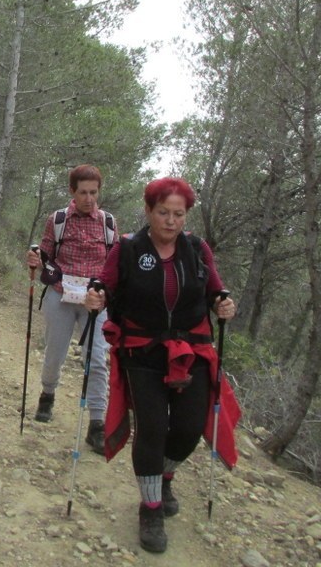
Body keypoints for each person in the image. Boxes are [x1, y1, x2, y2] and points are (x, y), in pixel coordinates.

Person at [85, 176, 239, 554]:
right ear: (149, 211)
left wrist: (224, 303)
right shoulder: (128, 249)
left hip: (193, 350)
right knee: (152, 428)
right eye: (163, 213)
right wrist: (96, 296)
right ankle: (150, 507)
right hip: (143, 352)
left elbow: (215, 288)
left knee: (188, 428)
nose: (171, 221)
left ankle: (165, 473)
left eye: (178, 214)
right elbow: (105, 285)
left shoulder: (197, 250)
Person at [23, 164, 117, 452]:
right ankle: (48, 394)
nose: (89, 198)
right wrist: (36, 257)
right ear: (72, 192)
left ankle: (97, 423)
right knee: (55, 352)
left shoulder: (108, 223)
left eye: (94, 192)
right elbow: (47, 250)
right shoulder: (59, 219)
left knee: (98, 358)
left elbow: (114, 263)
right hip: (61, 292)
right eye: (83, 192)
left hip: (95, 301)